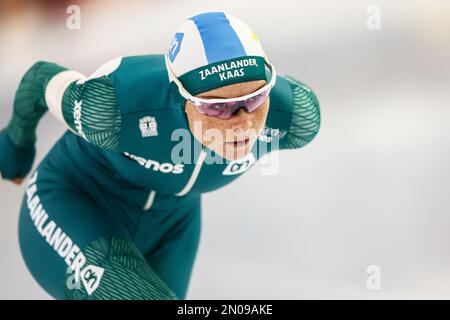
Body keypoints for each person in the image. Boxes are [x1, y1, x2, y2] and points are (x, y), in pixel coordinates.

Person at [0, 12, 321, 299]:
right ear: (182, 95)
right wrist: (17, 142)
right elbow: (41, 78)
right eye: (217, 107)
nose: (243, 123)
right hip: (78, 199)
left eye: (254, 99)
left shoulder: (295, 117)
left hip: (173, 225)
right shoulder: (113, 105)